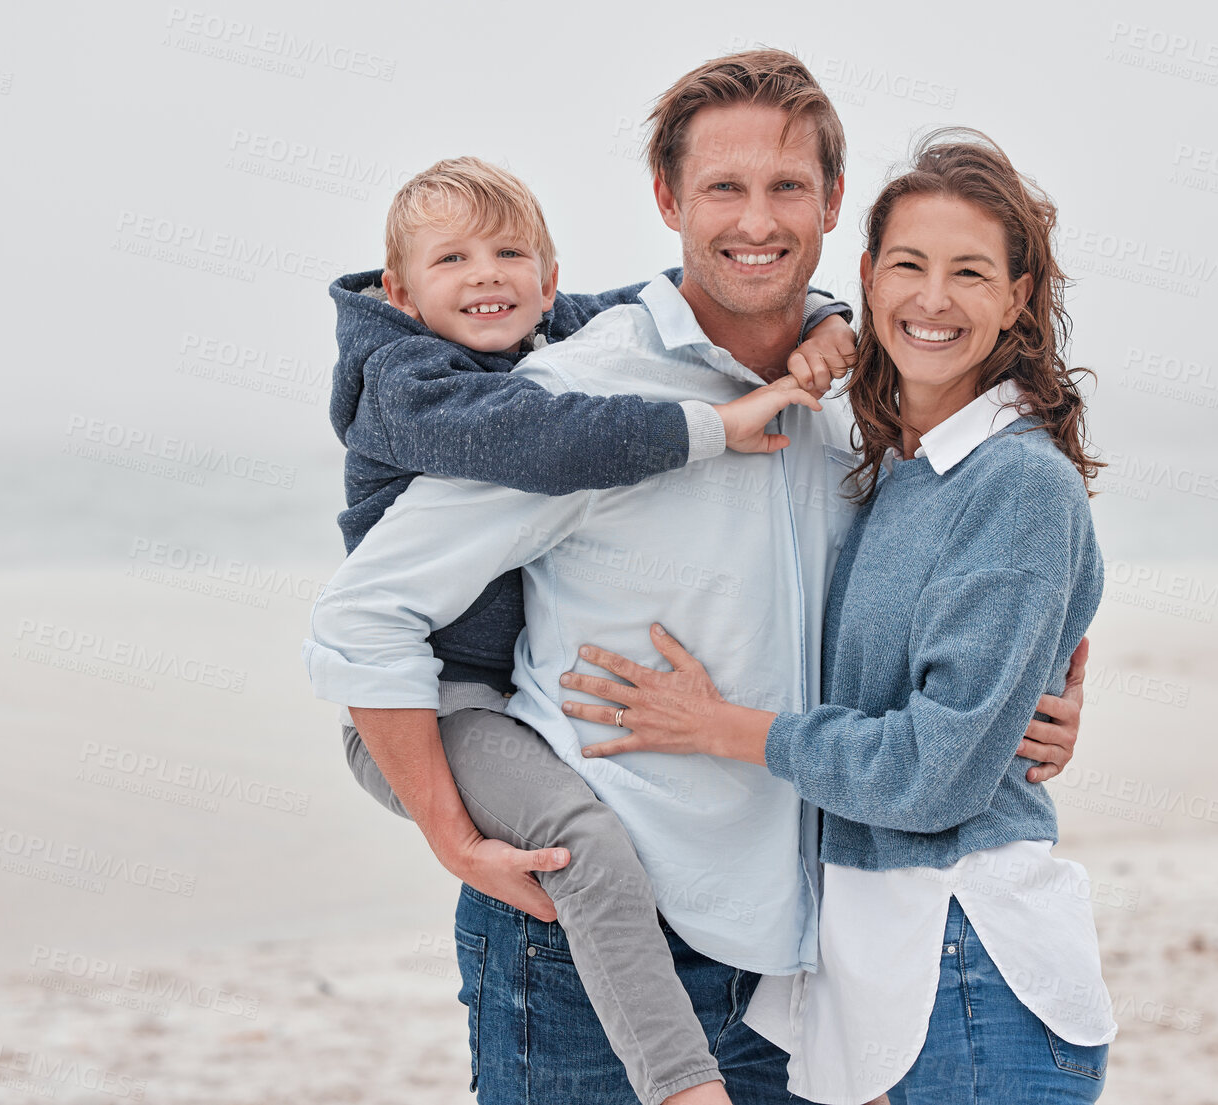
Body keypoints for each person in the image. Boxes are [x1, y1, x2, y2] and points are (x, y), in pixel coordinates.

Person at [305, 53, 1088, 1105]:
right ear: (669, 199)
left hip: (796, 960)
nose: (755, 220)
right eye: (722, 187)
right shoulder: (583, 396)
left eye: (785, 187)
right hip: (577, 943)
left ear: (831, 204)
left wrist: (1024, 709)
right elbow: (367, 615)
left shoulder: (859, 396)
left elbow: (943, 588)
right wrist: (452, 830)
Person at [565, 130, 1116, 1104]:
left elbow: (933, 774)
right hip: (876, 960)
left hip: (967, 961)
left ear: (1018, 299)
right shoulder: (903, 463)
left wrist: (715, 727)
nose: (932, 299)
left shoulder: (1015, 479)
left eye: (970, 272)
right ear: (865, 276)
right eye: (907, 264)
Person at [321, 153, 858, 1105]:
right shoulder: (412, 381)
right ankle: (681, 1084)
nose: (486, 274)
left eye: (510, 252)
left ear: (549, 280)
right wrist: (709, 428)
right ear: (400, 295)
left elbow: (669, 301)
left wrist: (824, 315)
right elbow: (548, 441)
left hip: (528, 727)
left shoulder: (546, 331)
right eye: (453, 260)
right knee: (586, 847)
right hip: (432, 704)